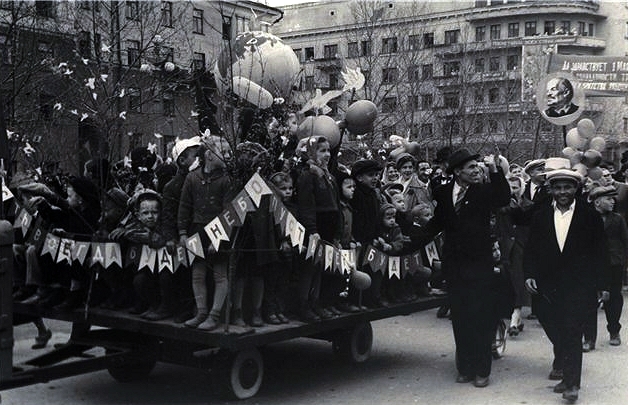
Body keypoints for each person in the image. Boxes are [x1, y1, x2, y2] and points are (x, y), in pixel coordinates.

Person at [425, 148, 510, 388]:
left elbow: (503, 198)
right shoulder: (442, 193)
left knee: (481, 317)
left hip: (480, 265)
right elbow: (435, 225)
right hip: (454, 266)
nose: (477, 170)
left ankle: (482, 370)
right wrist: (405, 244)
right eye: (472, 167)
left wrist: (494, 171)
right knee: (460, 318)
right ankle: (465, 367)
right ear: (458, 171)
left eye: (478, 166)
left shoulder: (483, 191)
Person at [524, 169, 610, 403]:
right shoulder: (541, 215)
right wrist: (529, 274)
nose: (563, 192)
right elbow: (531, 248)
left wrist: (603, 284)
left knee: (572, 331)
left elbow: (601, 252)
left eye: (568, 187)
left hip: (579, 283)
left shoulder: (589, 215)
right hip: (548, 284)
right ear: (551, 189)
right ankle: (565, 368)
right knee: (551, 323)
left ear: (576, 189)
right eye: (558, 188)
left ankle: (572, 383)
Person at [178, 135, 234, 331]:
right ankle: (201, 311)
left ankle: (214, 315)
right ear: (209, 155)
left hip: (219, 231)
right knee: (198, 273)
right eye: (224, 152)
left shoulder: (226, 181)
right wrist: (183, 233)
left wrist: (217, 239)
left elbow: (228, 212)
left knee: (220, 274)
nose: (228, 155)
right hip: (197, 230)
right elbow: (184, 206)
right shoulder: (192, 178)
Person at [296, 136, 341, 322]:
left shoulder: (328, 176)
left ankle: (317, 302)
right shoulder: (308, 175)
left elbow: (335, 204)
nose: (327, 155)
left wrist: (337, 232)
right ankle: (303, 305)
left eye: (328, 151)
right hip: (315, 227)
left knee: (322, 266)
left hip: (329, 226)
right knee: (310, 267)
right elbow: (306, 206)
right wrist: (313, 230)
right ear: (311, 153)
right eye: (322, 151)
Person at [582, 185, 626, 349]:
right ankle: (588, 338)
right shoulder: (587, 219)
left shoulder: (618, 219)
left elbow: (625, 240)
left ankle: (614, 330)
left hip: (614, 263)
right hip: (592, 264)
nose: (612, 202)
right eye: (608, 199)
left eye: (613, 198)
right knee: (588, 300)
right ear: (597, 202)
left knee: (614, 298)